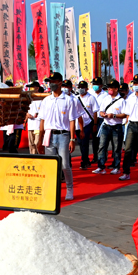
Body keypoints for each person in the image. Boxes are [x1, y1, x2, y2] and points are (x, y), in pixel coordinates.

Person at [36, 72, 82, 201]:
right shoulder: (46, 100)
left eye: (53, 81)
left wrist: (72, 139)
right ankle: (51, 190)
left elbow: (72, 120)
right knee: (50, 165)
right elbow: (42, 121)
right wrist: (39, 140)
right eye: (49, 81)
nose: (51, 84)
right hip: (49, 135)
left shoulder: (69, 100)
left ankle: (69, 188)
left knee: (65, 165)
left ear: (60, 83)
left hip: (63, 135)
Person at [93, 79, 124, 174]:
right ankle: (101, 166)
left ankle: (116, 167)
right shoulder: (106, 99)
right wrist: (102, 114)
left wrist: (114, 115)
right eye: (108, 88)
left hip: (116, 126)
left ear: (116, 89)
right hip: (106, 125)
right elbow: (101, 110)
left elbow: (125, 114)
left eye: (111, 88)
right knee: (102, 146)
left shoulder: (121, 100)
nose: (109, 90)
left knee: (116, 148)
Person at [76, 80, 99, 169]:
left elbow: (95, 112)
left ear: (87, 88)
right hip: (78, 124)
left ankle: (85, 161)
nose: (81, 89)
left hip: (88, 123)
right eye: (80, 87)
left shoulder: (91, 98)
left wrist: (95, 124)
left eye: (83, 87)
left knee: (85, 142)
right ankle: (86, 160)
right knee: (80, 143)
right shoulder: (76, 97)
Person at [25, 81, 43, 153]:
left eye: (32, 87)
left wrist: (39, 114)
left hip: (38, 125)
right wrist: (26, 114)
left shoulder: (42, 98)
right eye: (30, 88)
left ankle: (40, 159)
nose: (30, 89)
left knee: (37, 143)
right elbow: (25, 109)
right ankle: (33, 159)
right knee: (31, 144)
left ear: (37, 88)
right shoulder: (28, 99)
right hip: (31, 125)